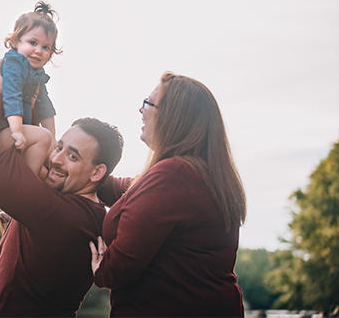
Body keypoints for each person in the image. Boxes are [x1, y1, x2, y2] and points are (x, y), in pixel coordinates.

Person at [0, 60, 124, 317]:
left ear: (97, 172)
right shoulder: (90, 214)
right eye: (59, 147)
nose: (56, 159)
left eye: (73, 157)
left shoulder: (61, 214)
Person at [89, 72, 247, 317]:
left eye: (148, 103)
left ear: (173, 117)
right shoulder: (196, 174)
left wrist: (101, 267)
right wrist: (72, 167)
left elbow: (118, 269)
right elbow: (124, 189)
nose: (141, 110)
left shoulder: (172, 175)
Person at [0, 1, 61, 180]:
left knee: (50, 160)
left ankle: (27, 196)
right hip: (2, 132)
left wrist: (53, 140)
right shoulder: (14, 64)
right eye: (33, 42)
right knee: (42, 137)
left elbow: (45, 106)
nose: (38, 51)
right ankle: (25, 186)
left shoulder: (37, 74)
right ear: (16, 41)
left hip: (17, 133)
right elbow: (11, 95)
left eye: (45, 47)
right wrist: (17, 130)